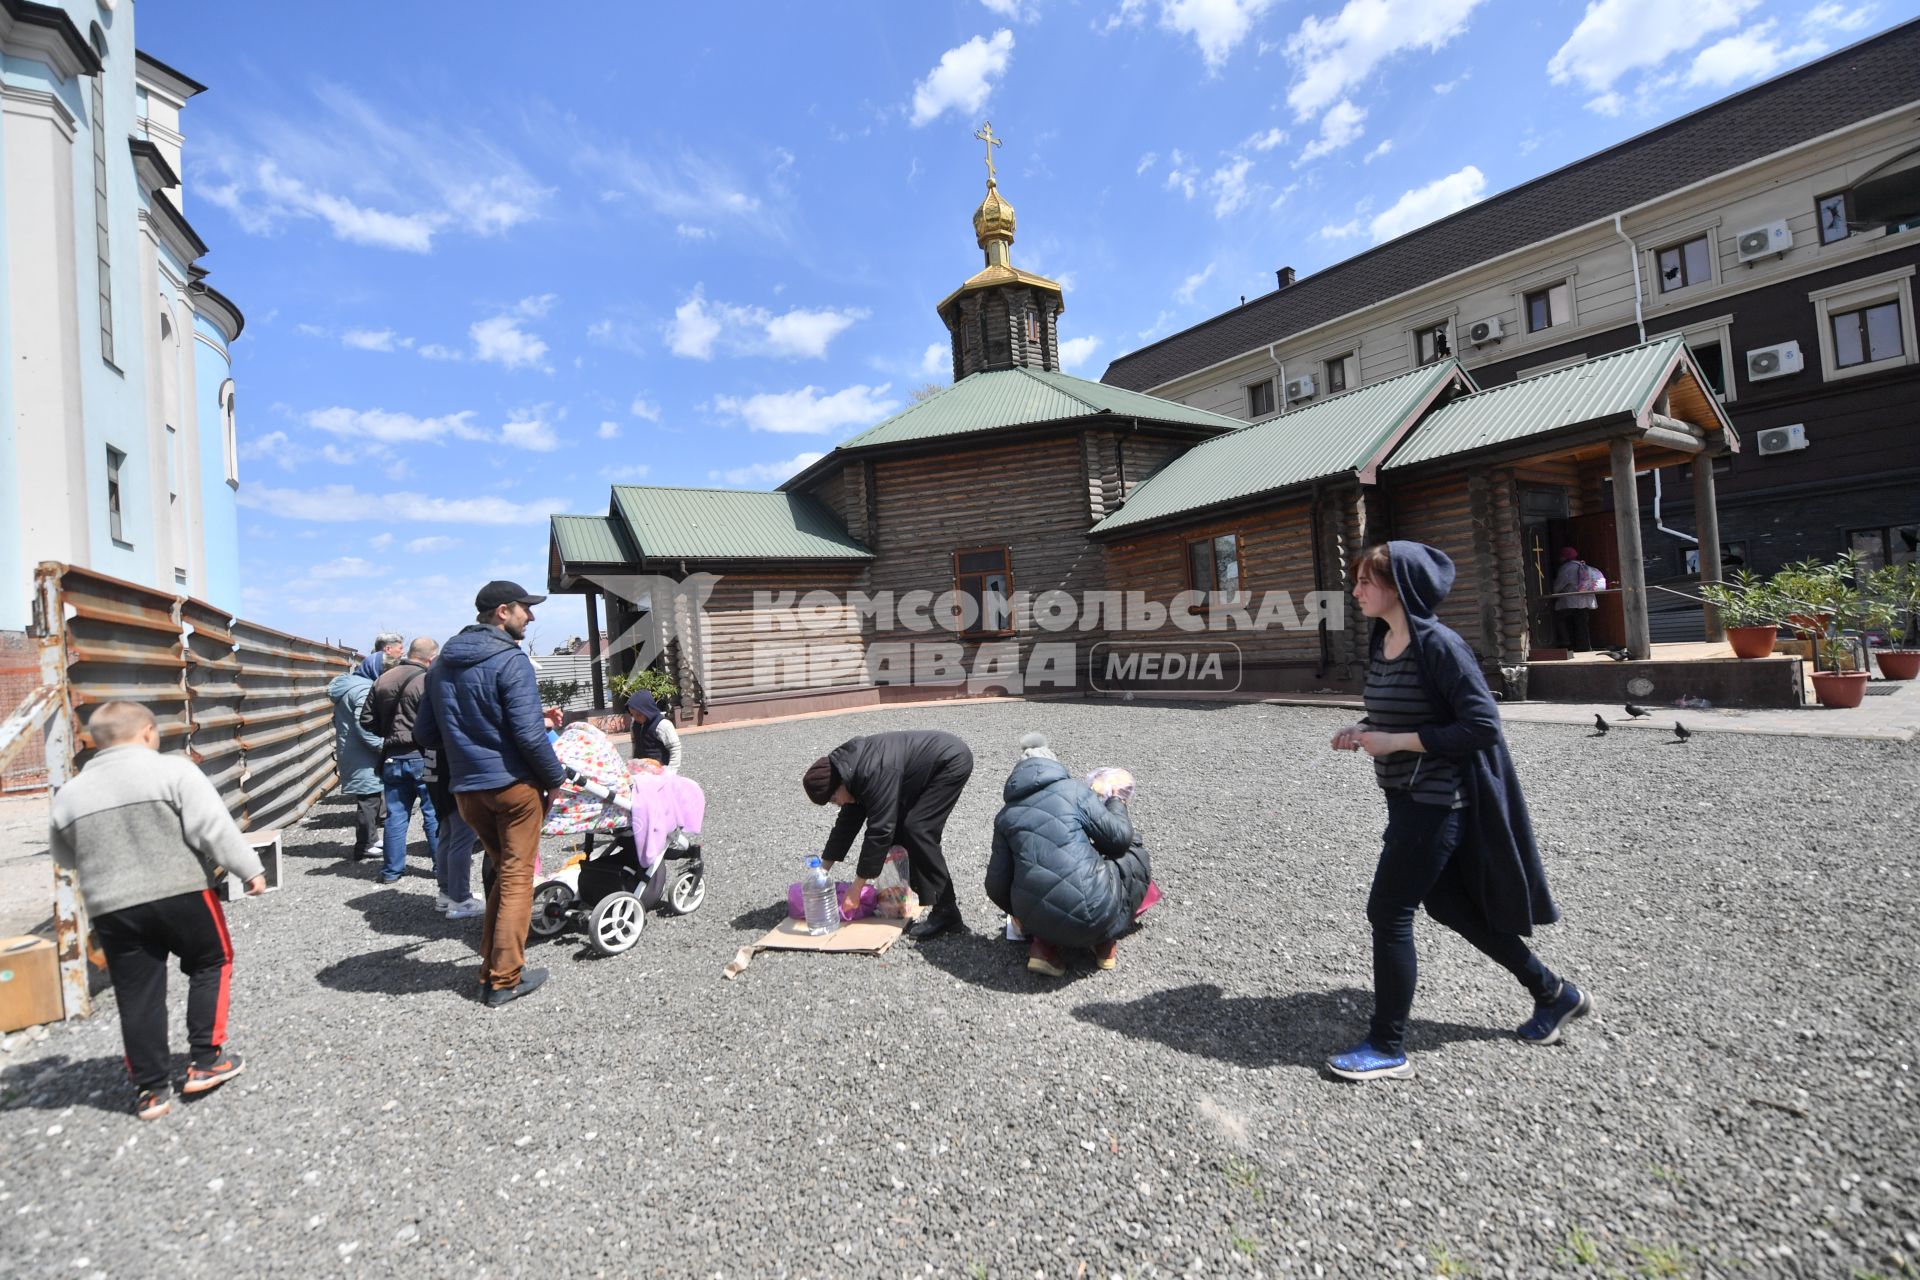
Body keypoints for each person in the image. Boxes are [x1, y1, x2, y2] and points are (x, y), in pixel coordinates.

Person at [1327, 541, 1590, 1081]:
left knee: (1389, 912)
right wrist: (1364, 730)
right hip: (1407, 798)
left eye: (1365, 583)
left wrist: (1397, 741)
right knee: (1449, 907)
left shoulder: (1440, 645)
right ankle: (1553, 992)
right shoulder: (1385, 640)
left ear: (1400, 587)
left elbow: (1481, 726)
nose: (1355, 592)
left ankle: (1387, 1046)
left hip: (1437, 800)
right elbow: (1400, 711)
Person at [47, 702, 264, 1120]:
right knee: (211, 962)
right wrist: (248, 869)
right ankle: (206, 1060)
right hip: (181, 891)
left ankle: (150, 1091)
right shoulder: (172, 770)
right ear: (147, 732)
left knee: (137, 993)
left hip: (112, 907)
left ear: (96, 741)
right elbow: (211, 827)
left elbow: (64, 855)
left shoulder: (71, 792)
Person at [414, 582, 566, 1008]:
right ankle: (504, 980)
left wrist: (470, 742)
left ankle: (491, 970)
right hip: (514, 788)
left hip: (467, 791)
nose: (531, 617)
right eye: (525, 610)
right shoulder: (510, 660)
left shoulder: (440, 665)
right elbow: (528, 737)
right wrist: (555, 779)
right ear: (503, 612)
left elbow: (425, 733)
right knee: (518, 878)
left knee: (503, 874)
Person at [985, 733, 1153, 976]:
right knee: (1133, 849)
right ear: (1053, 765)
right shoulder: (1074, 790)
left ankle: (1044, 949)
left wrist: (1023, 914)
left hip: (1036, 922)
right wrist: (1116, 802)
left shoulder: (1005, 815)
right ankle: (1105, 942)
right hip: (1094, 913)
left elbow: (995, 885)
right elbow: (1118, 840)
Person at [803, 729, 973, 941]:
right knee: (900, 831)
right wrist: (821, 873)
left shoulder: (870, 772)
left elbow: (880, 830)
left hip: (949, 761)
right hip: (922, 767)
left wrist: (856, 889)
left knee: (918, 829)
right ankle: (905, 897)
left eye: (833, 798)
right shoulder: (849, 771)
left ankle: (947, 912)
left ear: (838, 784)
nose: (836, 803)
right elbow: (846, 824)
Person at [363, 636, 441, 886]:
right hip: (426, 756)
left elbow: (366, 720)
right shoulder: (428, 680)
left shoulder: (382, 679)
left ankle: (391, 871)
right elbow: (440, 719)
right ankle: (441, 866)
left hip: (392, 758)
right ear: (431, 657)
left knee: (396, 815)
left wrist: (389, 732)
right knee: (432, 811)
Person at [327, 654, 385, 861]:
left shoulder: (350, 687)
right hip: (362, 755)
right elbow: (364, 726)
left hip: (353, 751)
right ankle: (364, 845)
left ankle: (371, 839)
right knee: (368, 799)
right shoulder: (363, 690)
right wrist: (382, 745)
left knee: (371, 796)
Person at [1550, 546, 1598, 652]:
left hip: (1571, 601)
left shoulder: (1567, 567)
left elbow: (1559, 585)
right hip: (1585, 600)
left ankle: (1566, 642)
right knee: (1582, 624)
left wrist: (1552, 591)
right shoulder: (1583, 565)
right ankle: (1585, 646)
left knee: (1560, 619)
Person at [626, 689, 682, 773]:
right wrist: (632, 760)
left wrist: (671, 770)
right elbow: (634, 744)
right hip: (641, 770)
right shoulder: (634, 725)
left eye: (638, 714)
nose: (635, 718)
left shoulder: (663, 725)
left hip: (660, 770)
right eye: (632, 714)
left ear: (647, 710)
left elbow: (675, 748)